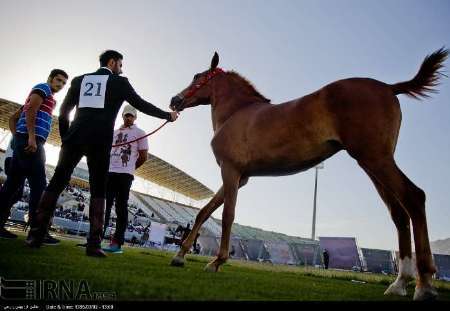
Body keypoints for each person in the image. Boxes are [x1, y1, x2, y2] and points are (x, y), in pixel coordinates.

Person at [27, 50, 178, 257]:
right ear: (113, 62)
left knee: (57, 181)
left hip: (75, 137)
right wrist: (167, 116)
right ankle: (93, 244)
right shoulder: (119, 82)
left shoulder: (80, 80)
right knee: (98, 189)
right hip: (101, 141)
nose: (121, 69)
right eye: (120, 65)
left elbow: (64, 112)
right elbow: (141, 104)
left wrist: (66, 138)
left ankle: (36, 235)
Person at [0, 70, 68, 244]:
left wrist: (18, 137)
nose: (60, 85)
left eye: (63, 83)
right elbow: (31, 110)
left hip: (28, 141)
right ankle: (38, 232)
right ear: (50, 79)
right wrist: (29, 136)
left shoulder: (50, 98)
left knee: (11, 187)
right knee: (39, 186)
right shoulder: (42, 88)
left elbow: (13, 118)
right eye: (58, 80)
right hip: (32, 142)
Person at [102, 107, 149, 254]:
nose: (129, 118)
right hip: (110, 172)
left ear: (135, 118)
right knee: (104, 205)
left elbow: (143, 156)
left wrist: (130, 168)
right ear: (122, 116)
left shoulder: (140, 133)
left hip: (125, 175)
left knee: (121, 207)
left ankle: (117, 243)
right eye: (126, 115)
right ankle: (95, 238)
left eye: (131, 116)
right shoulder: (114, 132)